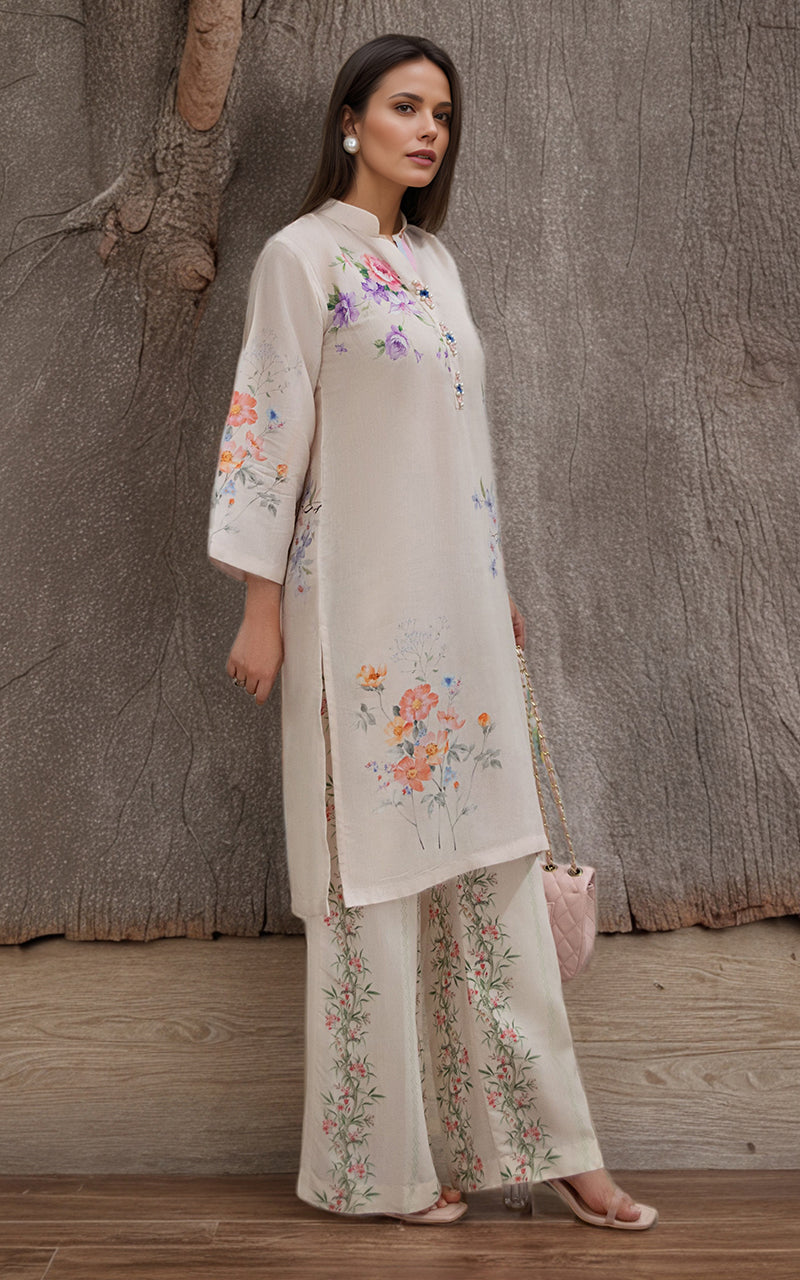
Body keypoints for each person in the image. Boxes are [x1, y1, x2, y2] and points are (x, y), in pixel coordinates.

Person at [207, 33, 657, 1229]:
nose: (427, 131)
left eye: (442, 115)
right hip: (352, 618)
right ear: (349, 120)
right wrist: (258, 606)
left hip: (458, 613)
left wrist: (488, 574)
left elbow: (460, 444)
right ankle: (380, 1165)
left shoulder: (433, 262)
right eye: (405, 107)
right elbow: (267, 428)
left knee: (493, 868)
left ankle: (558, 1148)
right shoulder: (300, 258)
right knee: (368, 882)